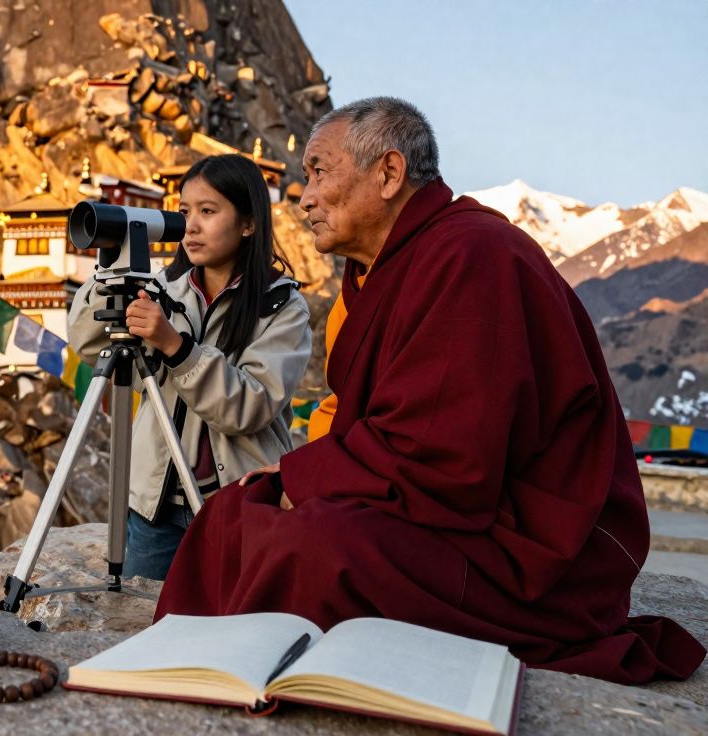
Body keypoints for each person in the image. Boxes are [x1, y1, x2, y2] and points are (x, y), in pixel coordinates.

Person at [154, 97, 705, 684]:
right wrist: (302, 476)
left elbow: (448, 453)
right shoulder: (390, 266)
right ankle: (184, 662)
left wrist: (312, 479)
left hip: (528, 546)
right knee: (238, 507)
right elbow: (390, 423)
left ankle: (246, 671)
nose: (304, 197)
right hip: (450, 502)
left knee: (317, 547)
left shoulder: (473, 254)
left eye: (319, 173)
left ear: (389, 173)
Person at [67, 154, 313, 580]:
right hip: (155, 510)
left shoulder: (281, 307)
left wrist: (176, 347)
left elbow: (249, 406)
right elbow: (89, 343)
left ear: (248, 224)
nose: (191, 226)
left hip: (239, 503)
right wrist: (111, 271)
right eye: (184, 212)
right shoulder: (162, 288)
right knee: (143, 614)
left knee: (230, 616)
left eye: (208, 211)